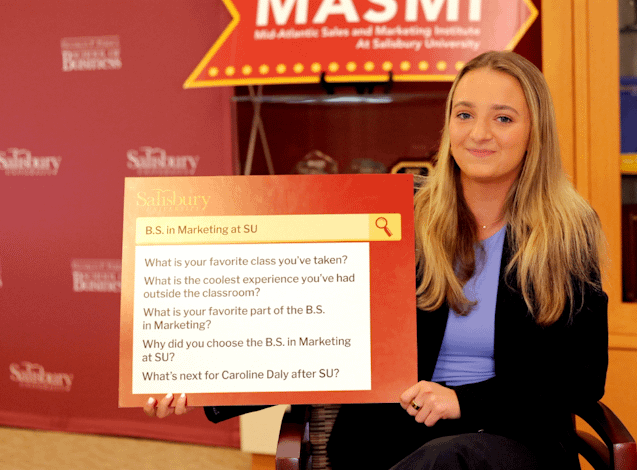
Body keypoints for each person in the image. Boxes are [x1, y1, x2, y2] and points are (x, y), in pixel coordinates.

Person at [145, 50, 609, 470]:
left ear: (535, 131)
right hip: (395, 437)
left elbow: (580, 378)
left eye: (504, 119)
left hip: (515, 441)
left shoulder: (567, 231)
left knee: (451, 459)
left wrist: (462, 403)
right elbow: (313, 330)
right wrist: (199, 378)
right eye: (464, 114)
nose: (479, 133)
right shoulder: (400, 219)